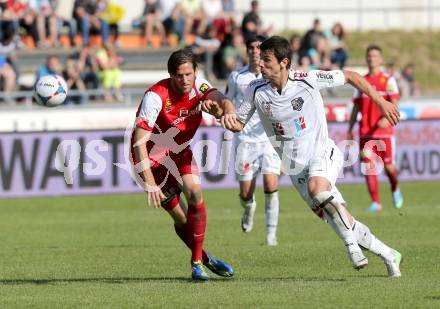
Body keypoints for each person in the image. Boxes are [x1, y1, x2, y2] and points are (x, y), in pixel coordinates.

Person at [203, 36, 402, 277]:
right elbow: (238, 124)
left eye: (266, 60)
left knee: (319, 189)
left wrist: (381, 102)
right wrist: (221, 116)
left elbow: (350, 76)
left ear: (284, 62)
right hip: (295, 169)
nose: (261, 65)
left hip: (323, 153)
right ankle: (389, 254)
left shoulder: (307, 79)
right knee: (341, 221)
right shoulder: (255, 89)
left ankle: (350, 246)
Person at [130, 48, 234, 281]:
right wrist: (150, 184)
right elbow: (139, 144)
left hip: (179, 152)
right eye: (179, 75)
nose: (185, 80)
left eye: (189, 74)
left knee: (195, 192)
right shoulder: (155, 96)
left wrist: (223, 112)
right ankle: (205, 259)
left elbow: (223, 101)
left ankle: (196, 262)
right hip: (151, 160)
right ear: (170, 75)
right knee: (182, 218)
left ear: (195, 71)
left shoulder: (200, 85)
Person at [225, 35, 281, 246]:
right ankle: (249, 208)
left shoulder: (273, 76)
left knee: (270, 183)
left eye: (260, 47)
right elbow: (227, 101)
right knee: (246, 193)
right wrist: (227, 114)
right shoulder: (236, 77)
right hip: (245, 140)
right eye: (252, 47)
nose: (256, 51)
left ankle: (270, 236)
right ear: (247, 51)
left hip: (269, 139)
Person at [347, 45, 403, 212]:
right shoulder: (361, 81)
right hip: (366, 131)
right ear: (366, 59)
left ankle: (394, 187)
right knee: (369, 168)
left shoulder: (388, 80)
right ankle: (376, 202)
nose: (371, 58)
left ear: (381, 59)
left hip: (384, 132)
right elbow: (356, 107)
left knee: (390, 169)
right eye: (369, 56)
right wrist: (350, 127)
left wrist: (387, 119)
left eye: (375, 56)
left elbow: (394, 102)